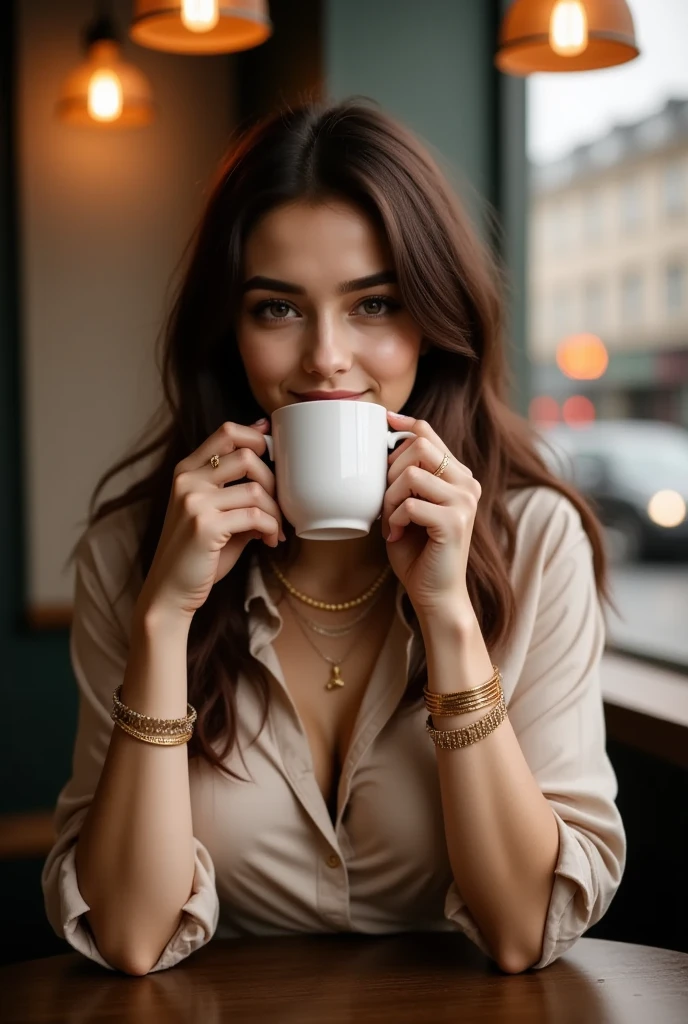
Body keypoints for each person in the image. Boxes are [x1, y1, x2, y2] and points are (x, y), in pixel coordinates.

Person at [41, 97, 625, 977]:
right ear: (229, 331)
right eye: (278, 309)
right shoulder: (133, 553)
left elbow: (522, 929)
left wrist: (448, 617)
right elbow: (129, 934)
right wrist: (164, 620)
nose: (324, 357)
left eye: (374, 304)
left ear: (433, 319)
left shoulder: (539, 541)